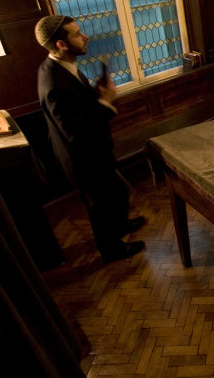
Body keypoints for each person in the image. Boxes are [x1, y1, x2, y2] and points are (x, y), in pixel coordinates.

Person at [35, 15, 145, 263]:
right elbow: (76, 131)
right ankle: (112, 250)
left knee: (116, 192)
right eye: (76, 34)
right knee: (100, 205)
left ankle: (120, 225)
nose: (85, 36)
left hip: (95, 150)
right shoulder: (54, 83)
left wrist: (96, 93)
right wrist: (105, 101)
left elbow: (77, 106)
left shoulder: (58, 66)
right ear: (61, 44)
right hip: (83, 158)